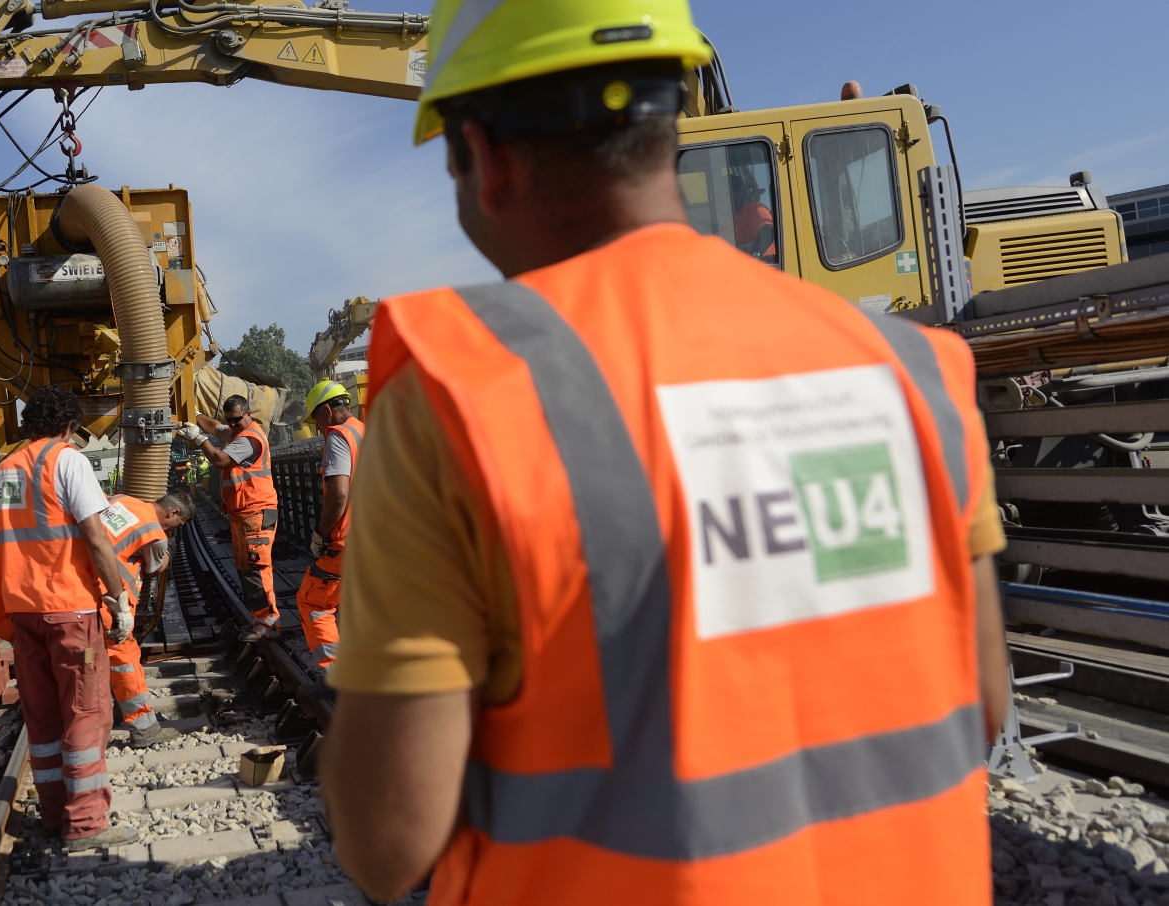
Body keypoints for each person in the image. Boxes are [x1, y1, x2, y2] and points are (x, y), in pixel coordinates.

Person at [320, 2, 1012, 903]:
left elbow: (388, 843)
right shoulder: (915, 371)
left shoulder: (460, 397)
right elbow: (984, 700)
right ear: (674, 122)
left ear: (483, 160)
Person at [0, 385, 138, 850]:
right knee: (86, 713)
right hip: (67, 608)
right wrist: (119, 598)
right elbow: (95, 538)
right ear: (70, 426)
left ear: (29, 425)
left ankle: (55, 814)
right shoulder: (67, 461)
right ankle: (87, 822)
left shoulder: (1, 473)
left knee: (45, 716)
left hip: (21, 610)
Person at [96, 490, 196, 748]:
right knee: (123, 657)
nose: (176, 528)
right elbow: (154, 568)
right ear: (173, 512)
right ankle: (143, 728)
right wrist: (169, 552)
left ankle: (108, 708)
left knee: (90, 655)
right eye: (179, 523)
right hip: (106, 597)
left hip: (76, 587)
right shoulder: (154, 532)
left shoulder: (121, 500)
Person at [177, 396, 280, 641]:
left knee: (257, 567)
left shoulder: (249, 439)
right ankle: (260, 620)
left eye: (236, 419)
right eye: (229, 420)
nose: (232, 424)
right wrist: (194, 414)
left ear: (248, 414)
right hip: (243, 513)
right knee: (246, 568)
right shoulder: (235, 432)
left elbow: (220, 460)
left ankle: (269, 625)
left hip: (256, 512)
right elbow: (214, 426)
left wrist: (198, 438)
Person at [294, 380, 363, 681]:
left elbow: (337, 493)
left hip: (346, 540)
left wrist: (321, 535)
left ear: (326, 411)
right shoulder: (363, 430)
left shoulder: (337, 436)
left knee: (314, 601)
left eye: (317, 421)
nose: (318, 428)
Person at [729, 171, 776, 261]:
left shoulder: (753, 207)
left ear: (743, 193)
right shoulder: (730, 220)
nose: (735, 197)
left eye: (738, 193)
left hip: (766, 263)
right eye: (731, 194)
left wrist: (753, 257)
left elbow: (768, 231)